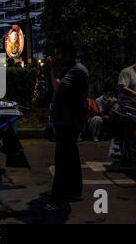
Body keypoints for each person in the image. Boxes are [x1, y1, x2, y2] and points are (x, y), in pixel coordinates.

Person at [46, 41, 89, 213]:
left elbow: (58, 88)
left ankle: (58, 200)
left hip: (68, 122)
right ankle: (74, 191)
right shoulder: (72, 70)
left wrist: (51, 68)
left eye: (59, 54)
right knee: (71, 158)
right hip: (67, 121)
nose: (56, 57)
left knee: (62, 162)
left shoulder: (77, 71)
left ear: (69, 55)